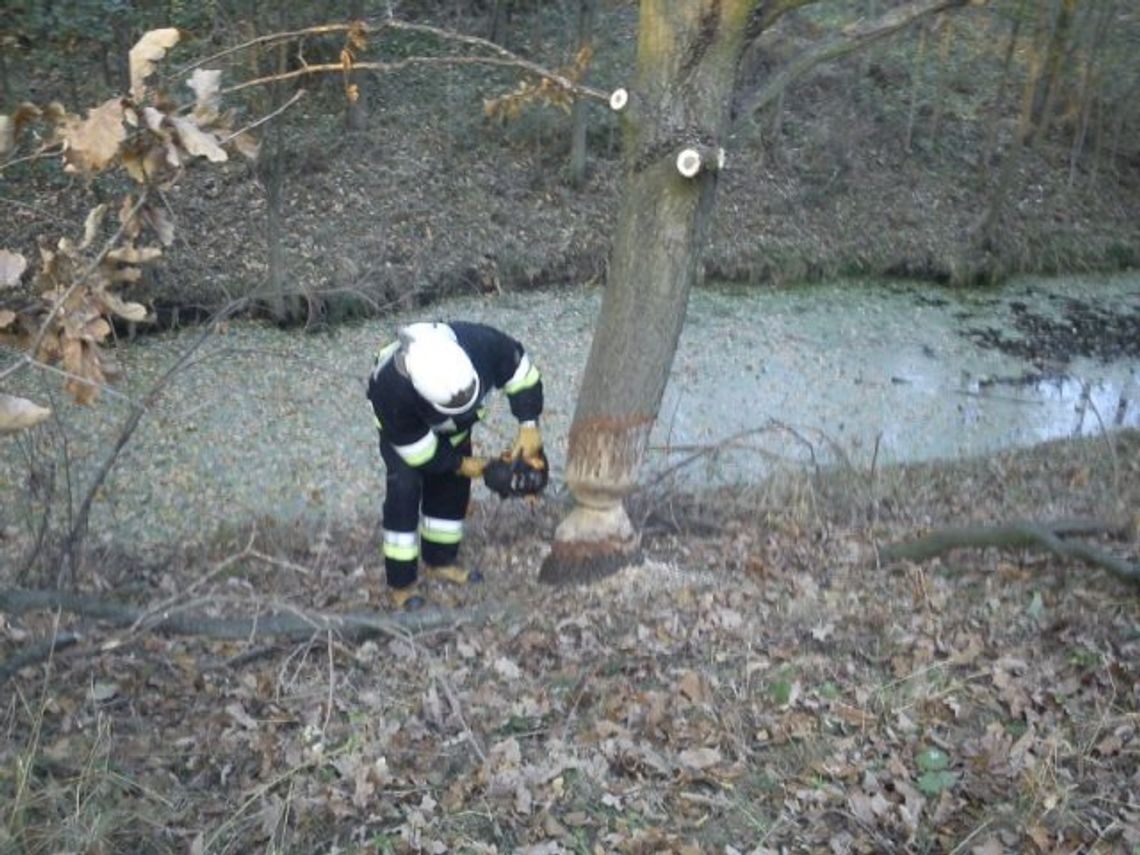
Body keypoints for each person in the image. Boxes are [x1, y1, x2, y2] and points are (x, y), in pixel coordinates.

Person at [367, 321, 545, 609]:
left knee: (452, 489)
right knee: (405, 490)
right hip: (406, 440)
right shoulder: (391, 390)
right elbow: (419, 451)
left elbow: (522, 374)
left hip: (454, 431)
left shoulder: (481, 344)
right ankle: (401, 584)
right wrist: (465, 464)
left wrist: (529, 424)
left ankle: (440, 561)